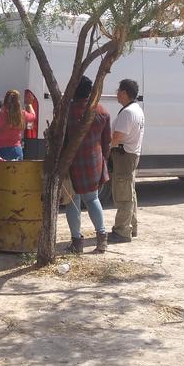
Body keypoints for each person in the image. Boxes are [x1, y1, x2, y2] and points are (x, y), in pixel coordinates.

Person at [63, 76, 111, 254]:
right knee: (92, 199)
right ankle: (102, 239)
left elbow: (60, 139)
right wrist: (103, 159)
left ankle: (77, 243)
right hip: (94, 162)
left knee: (72, 201)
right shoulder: (101, 111)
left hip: (71, 163)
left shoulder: (66, 112)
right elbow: (107, 142)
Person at [109, 78, 145, 244]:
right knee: (130, 191)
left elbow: (117, 137)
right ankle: (132, 226)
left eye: (118, 91)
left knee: (123, 194)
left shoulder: (128, 112)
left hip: (124, 156)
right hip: (130, 155)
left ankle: (122, 231)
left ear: (124, 93)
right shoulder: (136, 109)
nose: (116, 94)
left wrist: (105, 148)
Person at [0, 89, 36, 161]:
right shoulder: (21, 114)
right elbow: (33, 116)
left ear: (5, 100)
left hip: (0, 150)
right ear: (18, 102)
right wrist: (29, 104)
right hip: (16, 150)